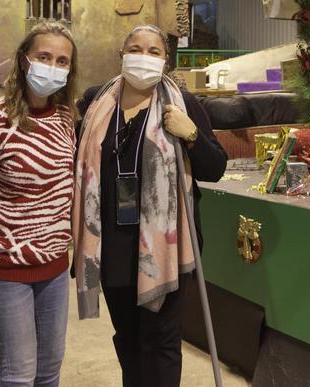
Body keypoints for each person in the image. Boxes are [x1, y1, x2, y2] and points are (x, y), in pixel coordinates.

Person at [73, 25, 227, 387]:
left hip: (166, 247)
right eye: (136, 48)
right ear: (121, 55)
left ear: (165, 60)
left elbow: (215, 168)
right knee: (127, 339)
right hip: (110, 243)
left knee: (160, 342)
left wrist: (191, 134)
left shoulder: (183, 104)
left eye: (154, 51)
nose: (144, 56)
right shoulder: (97, 102)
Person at [0, 22, 79, 387]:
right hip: (3, 269)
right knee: (18, 374)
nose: (53, 66)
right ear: (24, 61)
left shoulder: (67, 119)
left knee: (48, 372)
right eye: (44, 57)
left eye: (62, 61)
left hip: (53, 267)